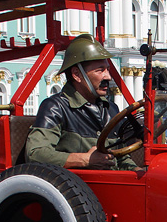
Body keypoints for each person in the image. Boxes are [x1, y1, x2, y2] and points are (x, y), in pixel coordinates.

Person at [25, 34, 140, 170]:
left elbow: (121, 158)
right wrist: (85, 160)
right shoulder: (55, 107)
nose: (108, 77)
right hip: (75, 188)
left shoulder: (110, 108)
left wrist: (139, 173)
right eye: (100, 70)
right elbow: (35, 154)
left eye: (107, 70)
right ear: (77, 75)